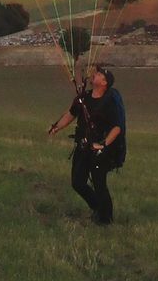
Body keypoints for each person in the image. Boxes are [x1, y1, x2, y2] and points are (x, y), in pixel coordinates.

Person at [48, 65, 125, 225]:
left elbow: (117, 127)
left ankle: (106, 220)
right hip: (83, 146)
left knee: (99, 183)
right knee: (77, 182)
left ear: (104, 83)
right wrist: (56, 127)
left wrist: (103, 145)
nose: (94, 75)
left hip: (100, 149)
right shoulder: (84, 98)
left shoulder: (109, 102)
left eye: (98, 74)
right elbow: (71, 114)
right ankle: (97, 207)